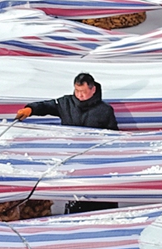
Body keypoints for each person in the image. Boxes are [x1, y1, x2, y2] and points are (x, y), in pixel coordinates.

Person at [15, 73, 118, 213]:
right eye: (77, 91)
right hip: (72, 159)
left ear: (93, 90)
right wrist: (30, 109)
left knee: (97, 197)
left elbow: (113, 137)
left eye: (83, 92)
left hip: (96, 161)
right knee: (75, 195)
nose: (80, 95)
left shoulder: (105, 110)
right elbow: (46, 106)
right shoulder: (66, 103)